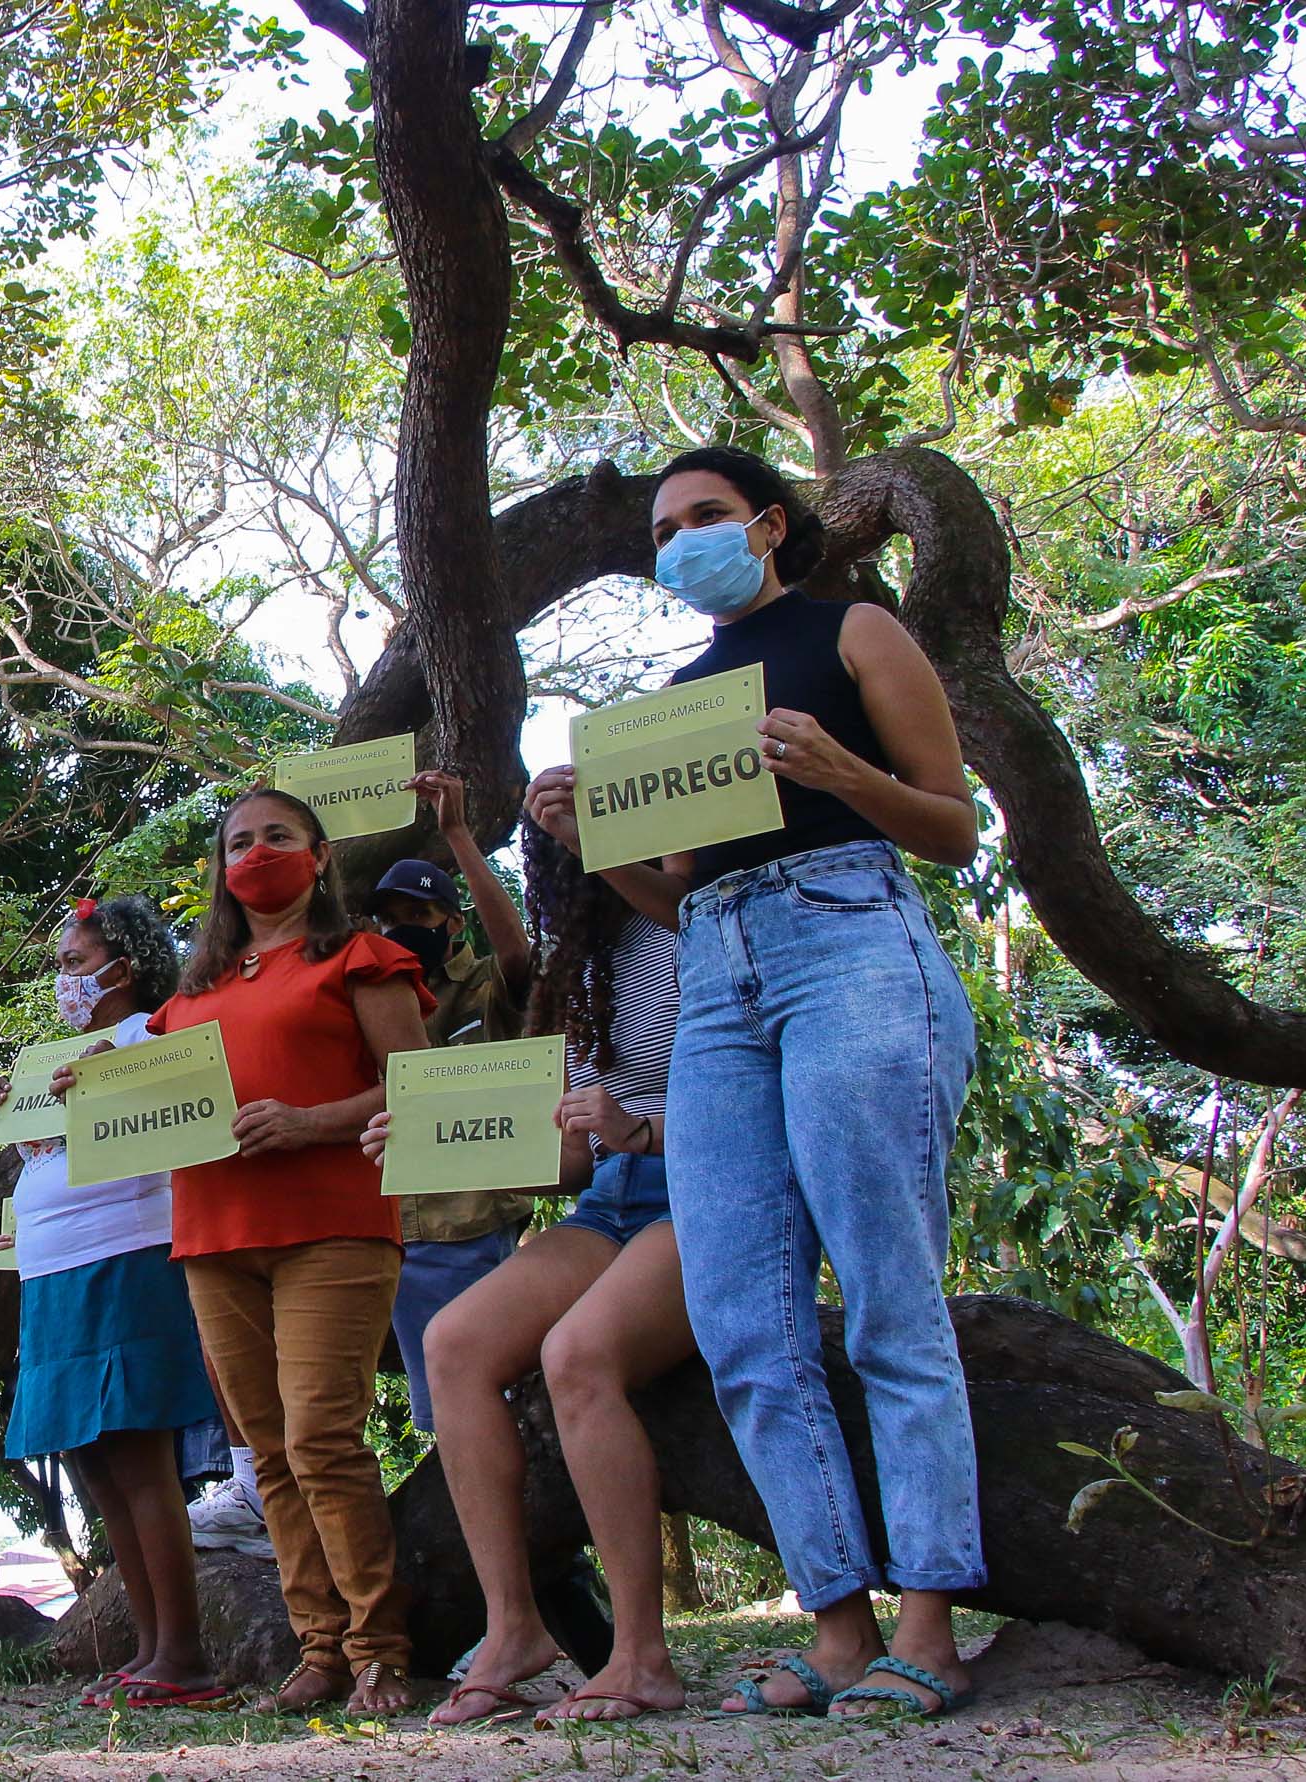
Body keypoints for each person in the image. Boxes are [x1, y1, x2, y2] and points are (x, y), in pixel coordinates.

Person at [531, 444, 984, 1722]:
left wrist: (844, 775)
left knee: (890, 1285)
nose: (682, 543)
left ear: (771, 525)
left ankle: (931, 1625)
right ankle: (835, 1627)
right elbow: (669, 895)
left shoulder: (857, 633)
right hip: (718, 972)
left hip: (852, 942)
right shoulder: (673, 697)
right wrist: (588, 843)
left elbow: (955, 826)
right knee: (740, 1316)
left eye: (707, 517)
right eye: (665, 530)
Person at [60, 787, 433, 1717]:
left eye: (277, 836)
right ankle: (320, 1653)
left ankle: (379, 1648)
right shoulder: (193, 995)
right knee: (265, 1454)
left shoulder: (365, 956)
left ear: (318, 855)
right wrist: (87, 1085)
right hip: (214, 1237)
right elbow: (151, 1102)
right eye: (238, 842)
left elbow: (420, 1088)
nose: (257, 853)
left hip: (334, 1225)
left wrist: (312, 1123)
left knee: (321, 1440)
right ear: (221, 871)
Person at [373, 822, 692, 1726]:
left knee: (576, 1355)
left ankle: (641, 1654)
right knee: (454, 1343)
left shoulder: (702, 931)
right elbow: (572, 1163)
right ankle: (514, 1625)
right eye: (560, 857)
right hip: (613, 1201)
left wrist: (641, 1127)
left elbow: (751, 1093)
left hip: (705, 1186)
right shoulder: (582, 966)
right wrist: (433, 1143)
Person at [0, 896, 223, 1708]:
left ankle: (184, 1652)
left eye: (75, 964)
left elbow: (173, 1130)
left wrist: (99, 1085)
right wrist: (15, 1117)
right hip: (49, 1272)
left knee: (135, 1452)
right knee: (91, 1458)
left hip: (124, 1253)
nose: (64, 980)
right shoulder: (60, 1056)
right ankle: (149, 1645)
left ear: (125, 966)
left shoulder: (152, 1036)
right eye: (60, 966)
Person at [364, 769, 538, 1438]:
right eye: (389, 919)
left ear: (451, 922)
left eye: (418, 916)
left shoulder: (485, 988)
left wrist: (460, 836)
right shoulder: (375, 995)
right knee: (445, 1416)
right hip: (400, 1229)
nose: (402, 929)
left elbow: (518, 951)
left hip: (472, 1221)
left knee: (492, 1406)